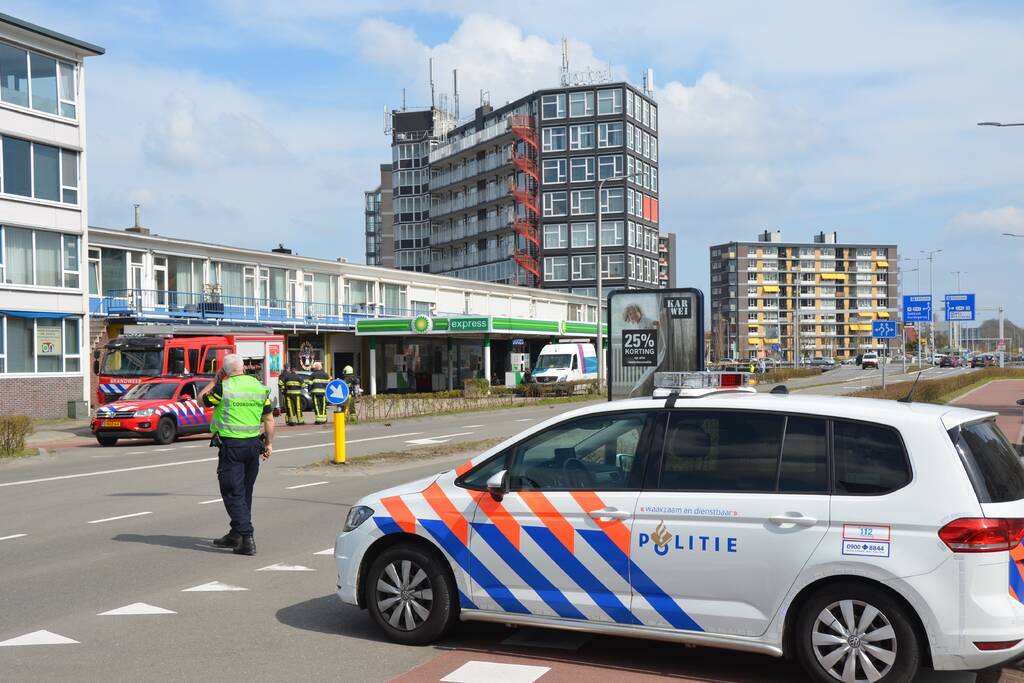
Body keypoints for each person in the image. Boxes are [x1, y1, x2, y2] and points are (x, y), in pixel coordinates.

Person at [198, 353, 274, 556]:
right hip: (253, 445)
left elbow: (201, 401)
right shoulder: (259, 387)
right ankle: (236, 534)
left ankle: (246, 538)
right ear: (243, 368)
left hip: (232, 446)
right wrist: (269, 444)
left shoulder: (223, 388)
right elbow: (269, 419)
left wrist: (215, 380)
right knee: (244, 491)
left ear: (224, 370)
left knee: (232, 491)